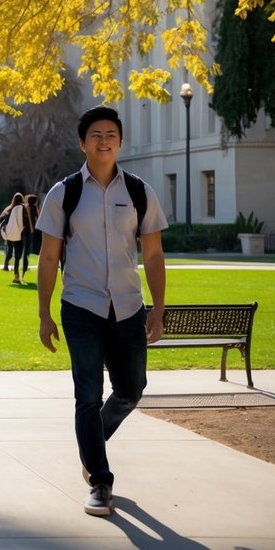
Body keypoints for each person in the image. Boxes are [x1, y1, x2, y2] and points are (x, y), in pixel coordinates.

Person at [36, 105, 167, 517]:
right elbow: (47, 256)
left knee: (131, 390)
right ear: (82, 142)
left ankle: (90, 444)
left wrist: (158, 309)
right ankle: (100, 480)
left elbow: (154, 254)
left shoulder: (140, 192)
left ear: (120, 141)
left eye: (111, 134)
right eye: (96, 135)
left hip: (128, 307)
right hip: (82, 307)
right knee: (88, 397)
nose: (104, 140)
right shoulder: (65, 193)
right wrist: (44, 314)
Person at [0, 192, 30, 283]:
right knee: (17, 256)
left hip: (9, 234)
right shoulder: (22, 208)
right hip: (19, 235)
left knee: (9, 250)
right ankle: (16, 275)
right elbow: (25, 220)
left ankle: (6, 265)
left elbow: (0, 218)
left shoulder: (9, 208)